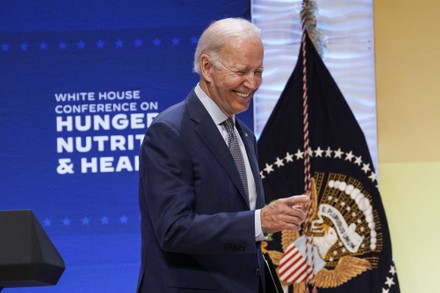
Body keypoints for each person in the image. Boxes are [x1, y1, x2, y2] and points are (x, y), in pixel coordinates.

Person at [137, 17, 310, 293]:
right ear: (207, 67)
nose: (252, 83)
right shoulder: (170, 131)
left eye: (258, 71)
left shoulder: (245, 135)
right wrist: (259, 220)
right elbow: (173, 229)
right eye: (242, 71)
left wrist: (269, 221)